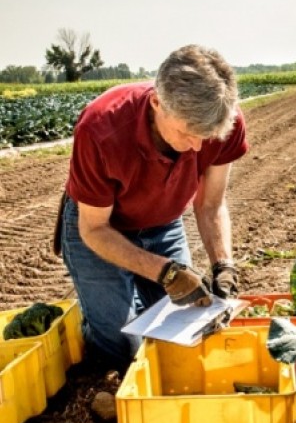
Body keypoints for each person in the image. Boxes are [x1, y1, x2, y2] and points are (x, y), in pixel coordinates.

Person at [59, 44, 249, 371]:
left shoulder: (222, 121)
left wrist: (223, 264)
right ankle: (99, 310)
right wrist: (166, 271)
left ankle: (120, 304)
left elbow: (210, 204)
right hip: (102, 227)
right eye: (188, 134)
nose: (198, 147)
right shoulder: (101, 129)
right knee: (121, 348)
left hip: (162, 223)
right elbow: (94, 228)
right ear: (157, 103)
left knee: (188, 329)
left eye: (207, 136)